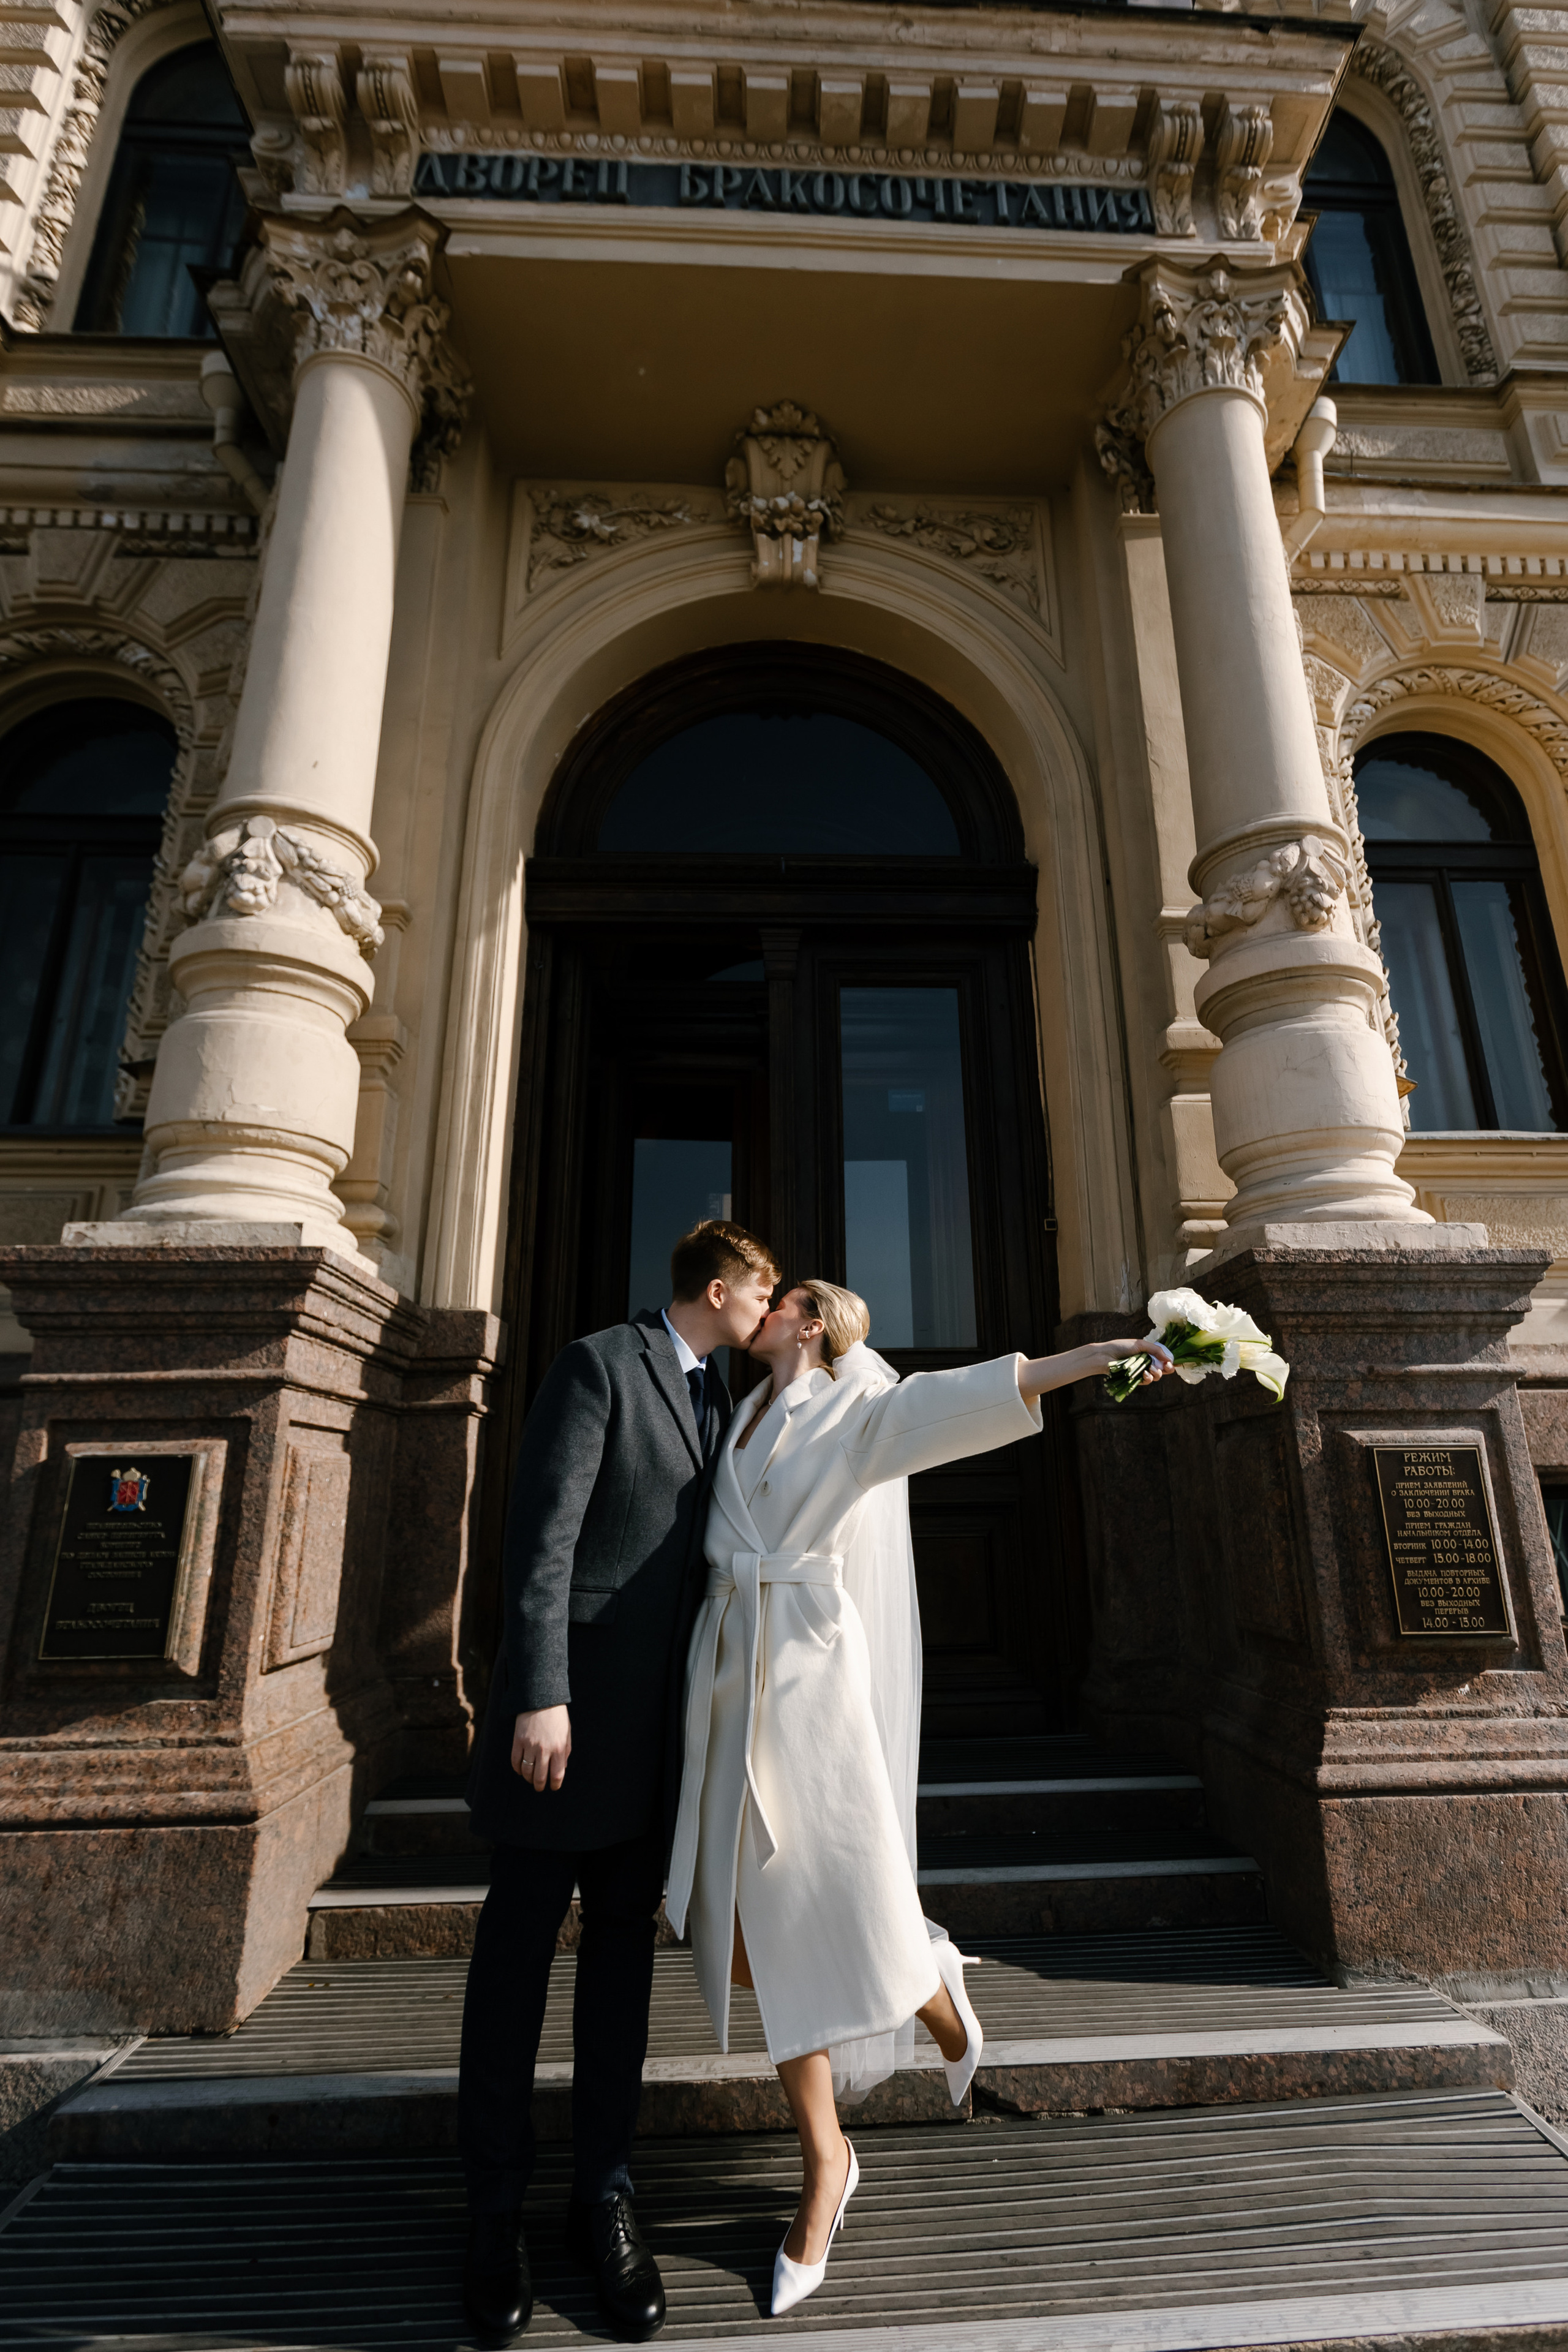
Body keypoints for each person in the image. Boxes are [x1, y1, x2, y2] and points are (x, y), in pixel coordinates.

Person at [665, 1280, 1172, 2316]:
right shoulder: (735, 1409)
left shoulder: (861, 1411)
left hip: (807, 1687)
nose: (759, 1305)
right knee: (744, 1940)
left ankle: (848, 2129)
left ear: (812, 1321)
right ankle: (888, 2052)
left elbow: (986, 1392)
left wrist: (1100, 1354)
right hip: (724, 1685)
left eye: (783, 1297)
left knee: (814, 1913)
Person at [459, 1219, 780, 2343]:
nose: (767, 1311)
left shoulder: (726, 1406)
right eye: (762, 1293)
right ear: (718, 1285)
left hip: (655, 1748)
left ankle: (605, 2194)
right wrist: (538, 1693)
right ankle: (493, 2211)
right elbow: (541, 1541)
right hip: (564, 1730)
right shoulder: (603, 1364)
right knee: (513, 1970)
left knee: (620, 1981)